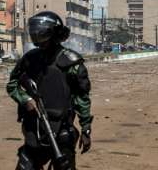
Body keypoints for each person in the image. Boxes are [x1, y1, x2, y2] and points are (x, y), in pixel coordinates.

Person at [7, 11, 93, 169]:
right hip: (34, 128)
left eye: (41, 33)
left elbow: (82, 98)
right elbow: (12, 84)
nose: (37, 38)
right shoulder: (29, 59)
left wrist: (86, 128)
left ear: (54, 34)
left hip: (62, 129)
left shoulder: (71, 63)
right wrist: (25, 99)